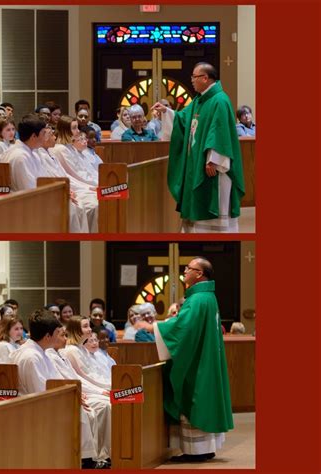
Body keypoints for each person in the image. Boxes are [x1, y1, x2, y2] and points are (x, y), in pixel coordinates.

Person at [137, 257, 233, 463]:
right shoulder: (207, 297)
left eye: (189, 268)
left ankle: (195, 451)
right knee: (201, 399)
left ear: (199, 274)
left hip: (197, 363)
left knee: (193, 398)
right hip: (203, 357)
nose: (185, 271)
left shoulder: (198, 300)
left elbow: (183, 329)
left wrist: (152, 328)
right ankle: (205, 448)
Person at [152, 62, 245, 233]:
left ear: (205, 78)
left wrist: (213, 160)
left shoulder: (220, 100)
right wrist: (166, 111)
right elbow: (183, 120)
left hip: (213, 167)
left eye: (194, 77)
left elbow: (219, 132)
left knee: (214, 204)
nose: (192, 80)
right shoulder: (199, 100)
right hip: (197, 163)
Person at [9, 310, 106, 469]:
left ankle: (84, 459)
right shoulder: (31, 356)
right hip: (31, 409)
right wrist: (71, 399)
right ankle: (83, 461)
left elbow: (56, 382)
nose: (63, 336)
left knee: (85, 410)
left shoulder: (41, 352)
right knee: (82, 412)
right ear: (48, 336)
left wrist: (74, 395)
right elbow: (40, 392)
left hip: (44, 401)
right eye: (58, 333)